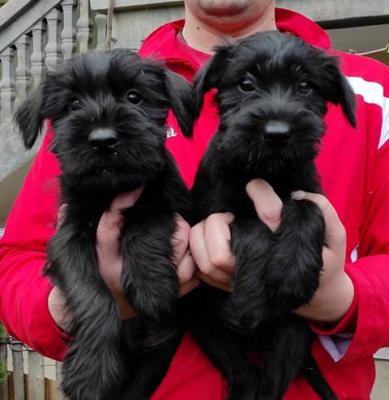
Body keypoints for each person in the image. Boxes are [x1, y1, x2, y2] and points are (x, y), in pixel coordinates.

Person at [0, 0, 388, 398]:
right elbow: (15, 264)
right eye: (247, 86)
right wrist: (78, 306)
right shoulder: (88, 108)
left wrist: (344, 299)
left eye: (304, 89)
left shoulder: (377, 93)